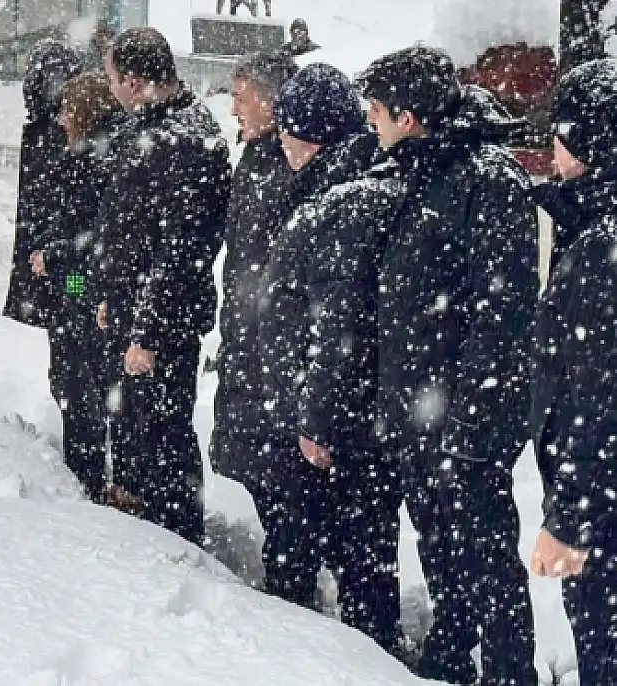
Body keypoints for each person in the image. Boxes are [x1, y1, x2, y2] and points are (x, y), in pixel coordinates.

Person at [356, 46, 538, 686]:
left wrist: (469, 427)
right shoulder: (415, 172)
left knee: (490, 568)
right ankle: (450, 664)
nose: (369, 122)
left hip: (466, 424)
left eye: (376, 110)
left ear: (408, 116)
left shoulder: (488, 181)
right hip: (420, 417)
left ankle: (510, 674)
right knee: (444, 558)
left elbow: (502, 315)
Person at [260, 64, 400, 652]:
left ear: (311, 134)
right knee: (361, 546)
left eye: (286, 129)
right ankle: (360, 646)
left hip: (339, 414)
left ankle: (329, 657)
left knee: (338, 546)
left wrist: (315, 419)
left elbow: (338, 320)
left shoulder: (341, 198)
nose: (277, 140)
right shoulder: (338, 178)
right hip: (348, 405)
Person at [97, 28, 232, 545]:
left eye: (113, 79)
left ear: (134, 80)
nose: (111, 89)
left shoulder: (185, 139)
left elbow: (179, 252)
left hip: (162, 322)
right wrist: (110, 295)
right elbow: (126, 228)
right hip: (137, 309)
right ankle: (140, 523)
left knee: (164, 434)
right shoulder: (152, 127)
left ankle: (175, 538)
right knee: (136, 426)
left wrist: (146, 334)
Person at [531, 59, 617, 686]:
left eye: (559, 139)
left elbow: (596, 393)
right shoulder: (593, 226)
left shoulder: (599, 250)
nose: (550, 154)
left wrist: (571, 521)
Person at [5, 59, 123, 501]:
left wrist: (52, 256)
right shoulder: (90, 155)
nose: (58, 119)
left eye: (67, 110)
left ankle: (88, 479)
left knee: (79, 383)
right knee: (76, 377)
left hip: (81, 287)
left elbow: (91, 232)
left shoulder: (94, 161)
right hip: (77, 286)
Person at [210, 50, 303, 573]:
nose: (234, 111)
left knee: (281, 478)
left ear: (272, 101)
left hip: (270, 347)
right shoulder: (255, 158)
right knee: (258, 468)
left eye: (241, 99)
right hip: (249, 339)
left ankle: (291, 584)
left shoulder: (285, 166)